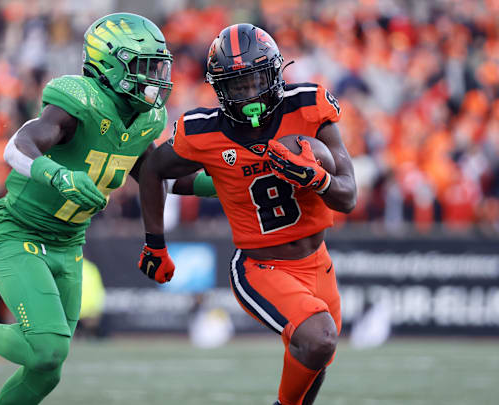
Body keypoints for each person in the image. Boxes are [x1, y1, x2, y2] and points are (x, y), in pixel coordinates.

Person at [0, 13, 213, 404]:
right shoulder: (81, 99)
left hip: (69, 242)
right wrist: (58, 175)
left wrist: (232, 182)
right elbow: (18, 145)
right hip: (18, 232)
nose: (154, 77)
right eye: (142, 66)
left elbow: (162, 179)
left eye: (157, 66)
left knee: (47, 371)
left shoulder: (145, 119)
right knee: (47, 349)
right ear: (108, 65)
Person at [137, 24, 357, 405]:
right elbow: (153, 170)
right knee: (318, 338)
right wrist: (155, 244)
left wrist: (317, 178)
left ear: (274, 73)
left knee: (315, 360)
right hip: (262, 266)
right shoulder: (203, 131)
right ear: (220, 89)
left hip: (318, 262)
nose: (250, 94)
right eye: (238, 86)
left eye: (256, 80)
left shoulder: (307, 105)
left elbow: (348, 196)